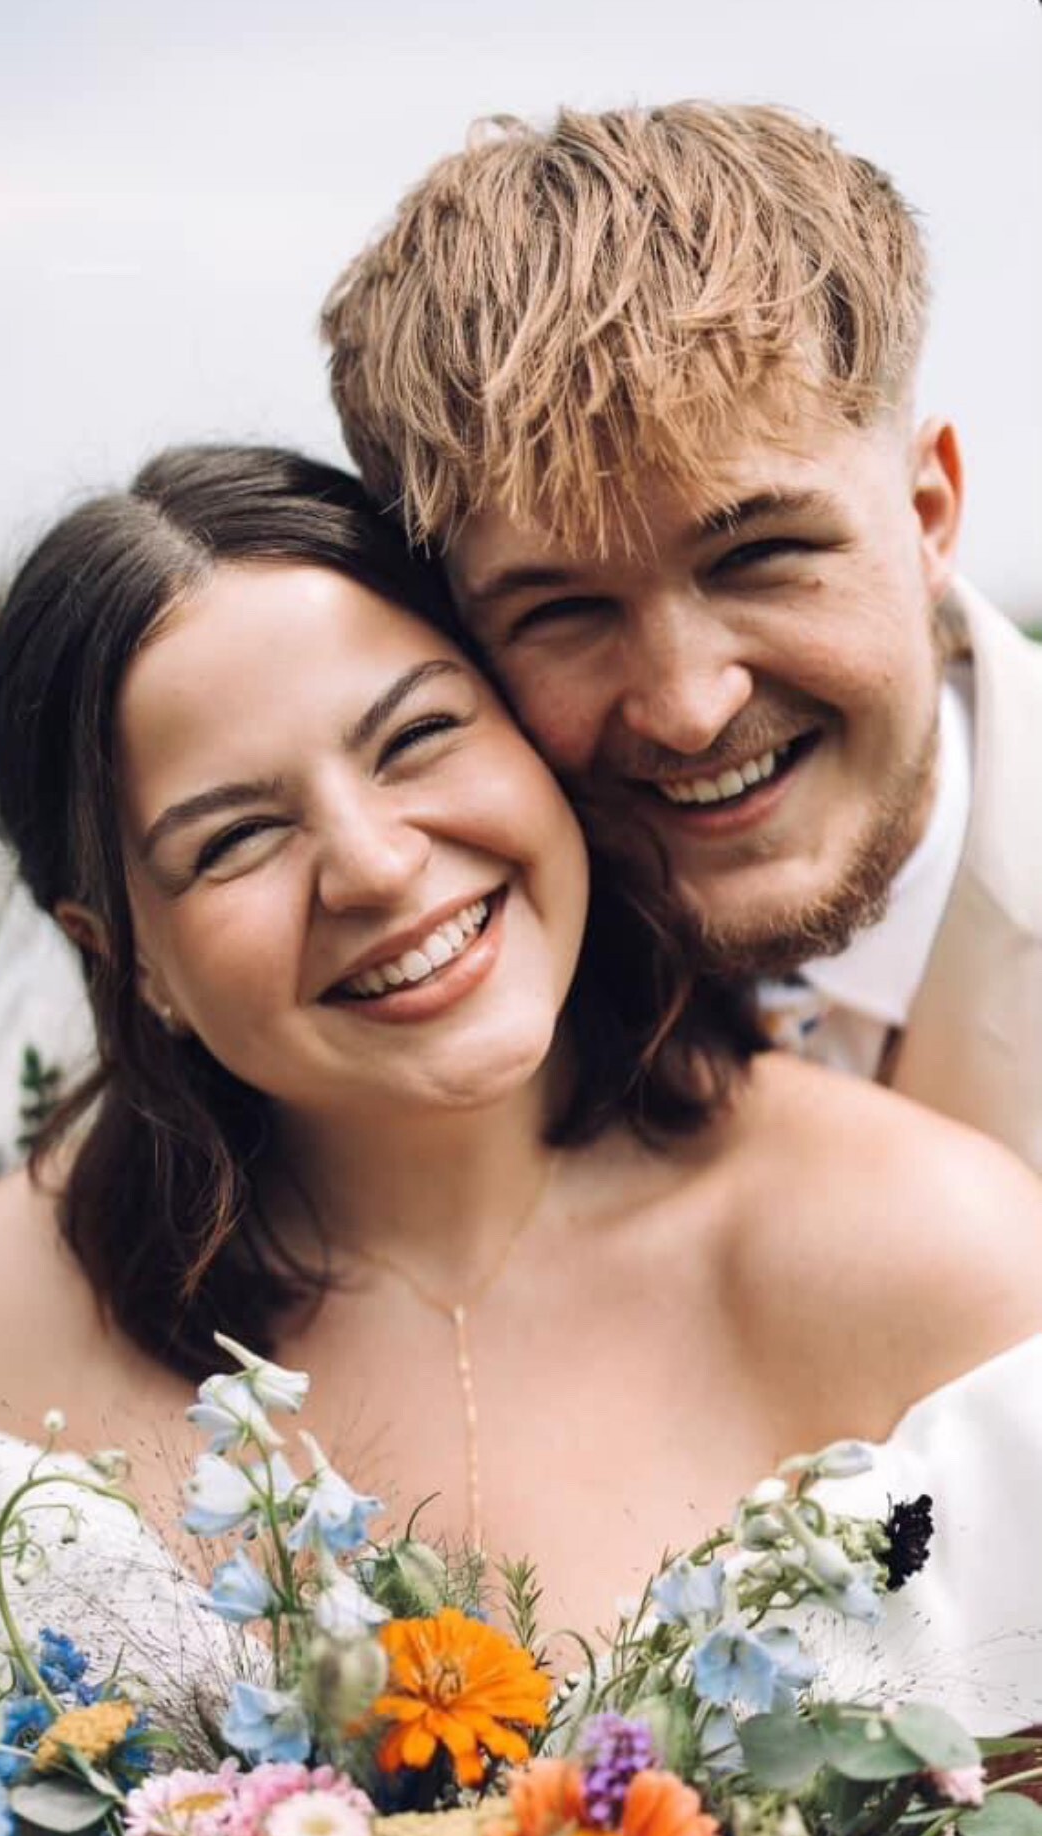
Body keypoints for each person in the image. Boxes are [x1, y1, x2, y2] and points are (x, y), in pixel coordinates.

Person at [0, 444, 1042, 1740]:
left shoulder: (927, 1248)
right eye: (236, 836)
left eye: (417, 735)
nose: (370, 864)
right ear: (119, 956)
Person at [320, 101, 1042, 1171]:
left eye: (756, 558)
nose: (689, 705)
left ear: (930, 510)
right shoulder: (326, 947)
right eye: (561, 611)